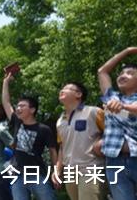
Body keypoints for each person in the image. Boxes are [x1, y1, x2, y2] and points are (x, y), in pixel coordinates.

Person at [2, 72, 57, 200]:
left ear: (32, 110)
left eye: (22, 106)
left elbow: (53, 151)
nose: (18, 108)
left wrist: (55, 172)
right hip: (17, 174)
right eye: (18, 106)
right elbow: (6, 102)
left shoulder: (44, 129)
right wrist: (5, 82)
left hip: (37, 173)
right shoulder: (17, 122)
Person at [55, 81, 107, 200]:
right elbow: (62, 147)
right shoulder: (60, 121)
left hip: (91, 167)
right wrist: (58, 170)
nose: (62, 90)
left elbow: (113, 133)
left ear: (78, 94)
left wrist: (101, 143)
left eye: (67, 88)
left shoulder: (94, 112)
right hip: (70, 171)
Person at [97, 47, 137, 199]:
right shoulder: (111, 96)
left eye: (130, 73)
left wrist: (123, 106)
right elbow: (103, 71)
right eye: (121, 73)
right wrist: (126, 51)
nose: (123, 76)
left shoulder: (118, 102)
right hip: (114, 160)